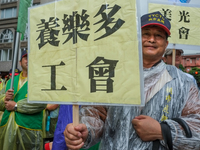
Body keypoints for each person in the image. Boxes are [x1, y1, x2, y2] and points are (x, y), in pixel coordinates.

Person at [63, 11, 200, 150]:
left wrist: (162, 131)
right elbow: (95, 113)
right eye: (146, 34)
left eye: (158, 35)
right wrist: (86, 130)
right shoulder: (112, 75)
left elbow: (197, 125)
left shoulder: (183, 82)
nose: (151, 39)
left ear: (166, 44)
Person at [0, 50, 47, 150]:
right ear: (20, 62)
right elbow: (1, 103)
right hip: (8, 128)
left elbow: (41, 103)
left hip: (29, 129)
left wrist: (16, 106)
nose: (28, 60)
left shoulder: (40, 80)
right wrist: (5, 99)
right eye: (26, 58)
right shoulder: (10, 82)